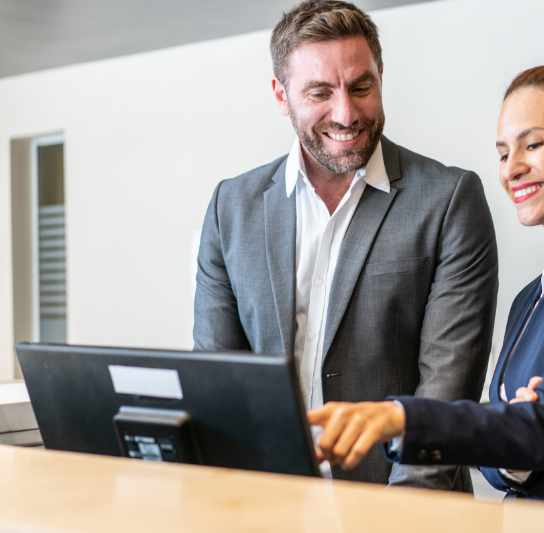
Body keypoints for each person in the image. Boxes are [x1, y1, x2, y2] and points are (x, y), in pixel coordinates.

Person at [309, 65, 544, 505]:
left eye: (533, 145)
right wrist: (520, 435)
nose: (513, 168)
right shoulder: (529, 299)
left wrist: (402, 417)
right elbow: (502, 465)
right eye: (502, 153)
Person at [192, 0, 498, 491]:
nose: (346, 112)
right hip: (268, 505)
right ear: (281, 94)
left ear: (381, 78)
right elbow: (217, 382)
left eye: (362, 87)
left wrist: (401, 517)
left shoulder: (448, 200)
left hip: (403, 507)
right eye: (319, 92)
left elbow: (446, 388)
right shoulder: (232, 207)